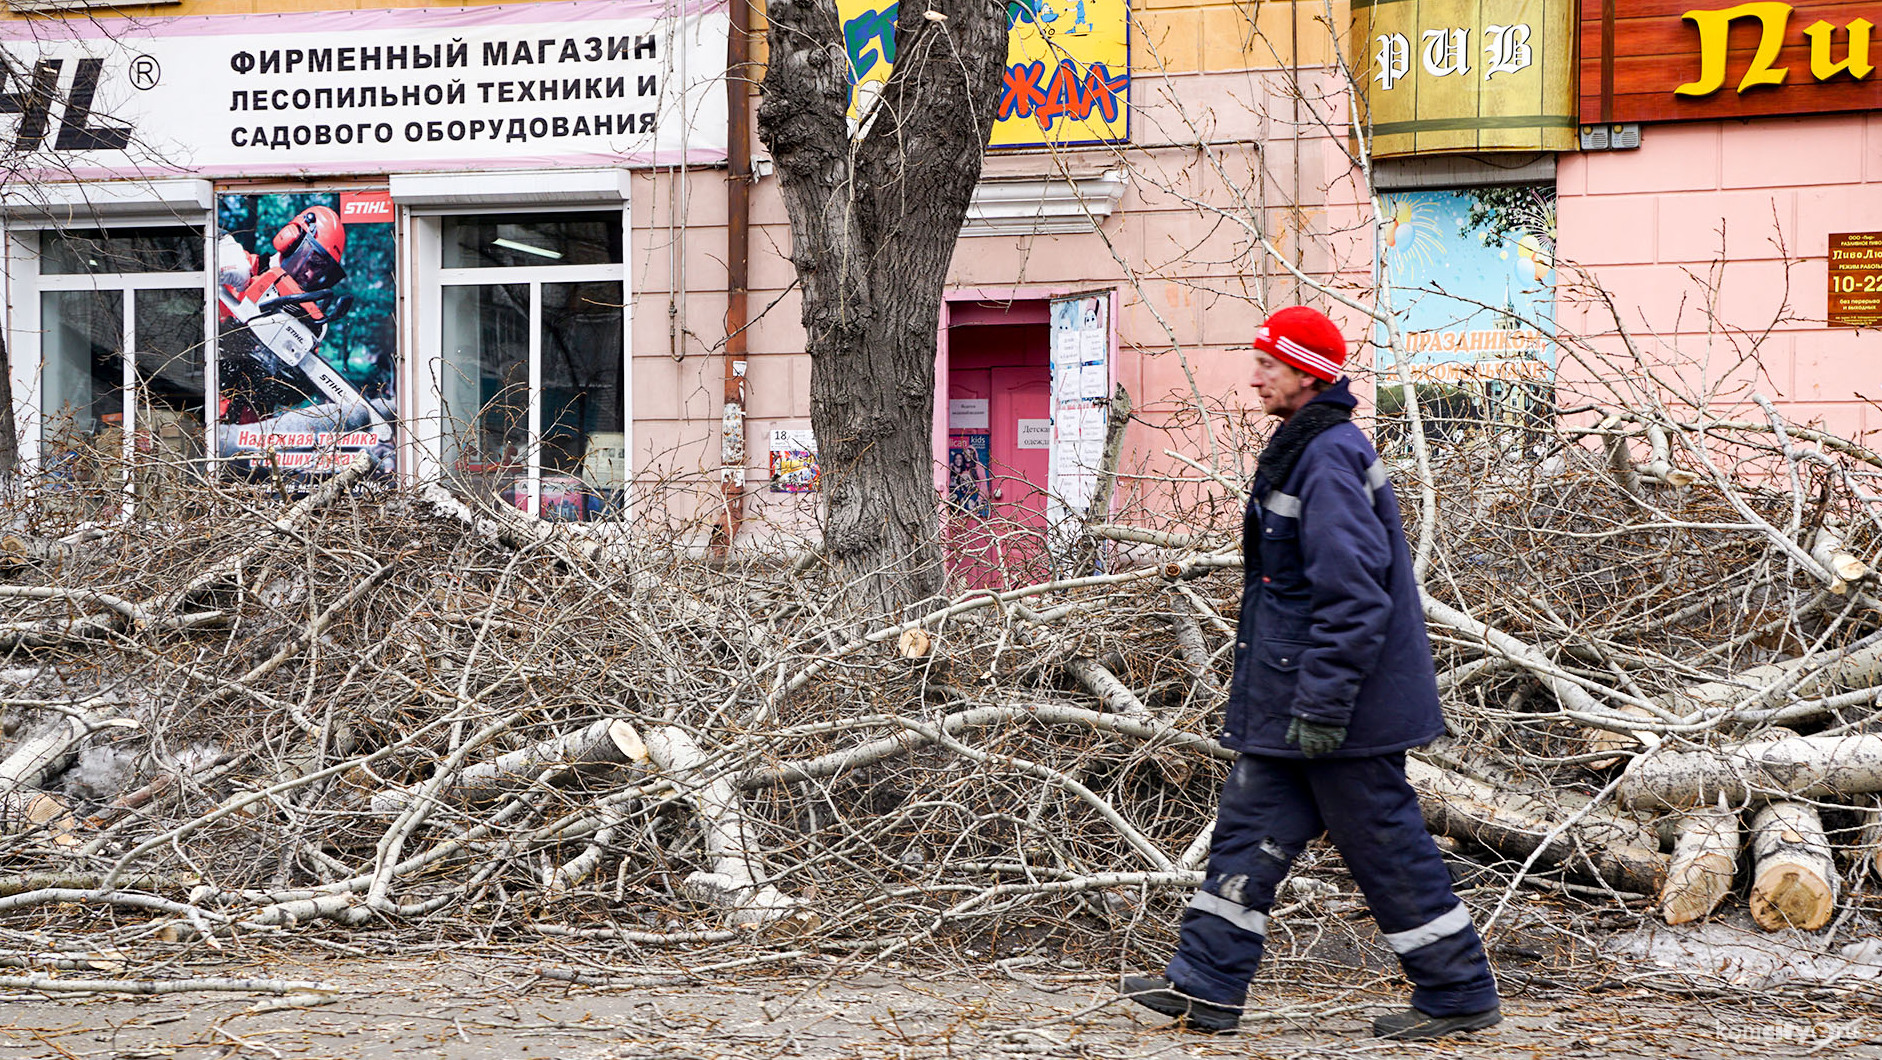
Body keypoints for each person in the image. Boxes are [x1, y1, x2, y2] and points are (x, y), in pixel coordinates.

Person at [1120, 307, 1501, 1040]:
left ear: (1307, 374)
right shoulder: (1306, 447)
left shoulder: (1327, 455)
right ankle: (1205, 984)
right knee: (1247, 832)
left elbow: (1355, 595)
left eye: (1269, 361)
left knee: (1384, 844)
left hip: (1339, 709)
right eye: (1258, 358)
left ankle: (1457, 994)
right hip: (1296, 699)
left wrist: (1324, 705)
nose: (1255, 373)